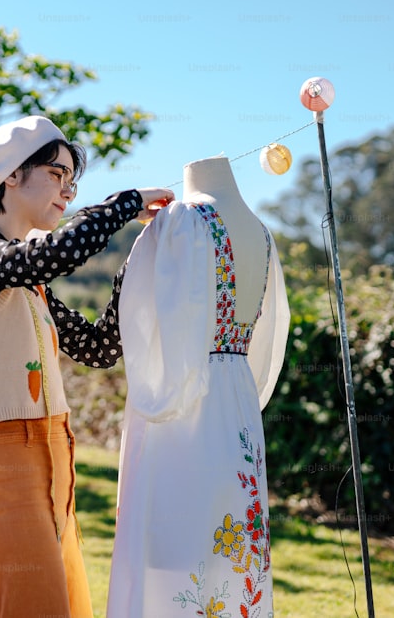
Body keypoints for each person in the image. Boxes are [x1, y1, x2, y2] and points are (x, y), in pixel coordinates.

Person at [0, 115, 174, 618]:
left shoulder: (26, 281)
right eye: (57, 175)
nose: (67, 190)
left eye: (72, 180)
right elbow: (56, 253)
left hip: (54, 470)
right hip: (5, 471)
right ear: (12, 175)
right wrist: (125, 203)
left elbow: (99, 347)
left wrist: (140, 261)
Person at [107, 155, 290, 618]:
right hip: (239, 399)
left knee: (173, 540)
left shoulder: (183, 222)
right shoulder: (261, 232)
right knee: (224, 544)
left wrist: (156, 392)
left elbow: (146, 317)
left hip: (183, 398)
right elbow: (270, 339)